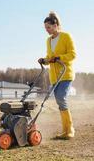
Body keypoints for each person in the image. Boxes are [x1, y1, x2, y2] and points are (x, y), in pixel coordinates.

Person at [38, 11, 76, 139]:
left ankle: (70, 130)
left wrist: (59, 57)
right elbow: (50, 57)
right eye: (45, 28)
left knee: (61, 98)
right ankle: (65, 131)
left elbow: (72, 55)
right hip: (54, 77)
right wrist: (44, 60)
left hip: (65, 74)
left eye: (48, 27)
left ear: (55, 25)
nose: (47, 30)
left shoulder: (66, 36)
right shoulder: (48, 41)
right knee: (60, 102)